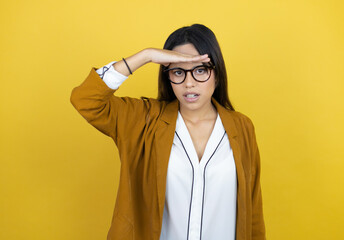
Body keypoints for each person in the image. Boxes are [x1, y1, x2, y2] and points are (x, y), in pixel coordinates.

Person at [70, 24, 266, 240]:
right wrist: (146, 56)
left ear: (217, 74)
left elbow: (253, 211)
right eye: (178, 71)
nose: (189, 83)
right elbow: (86, 100)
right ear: (168, 76)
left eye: (200, 70)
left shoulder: (242, 127)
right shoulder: (144, 121)